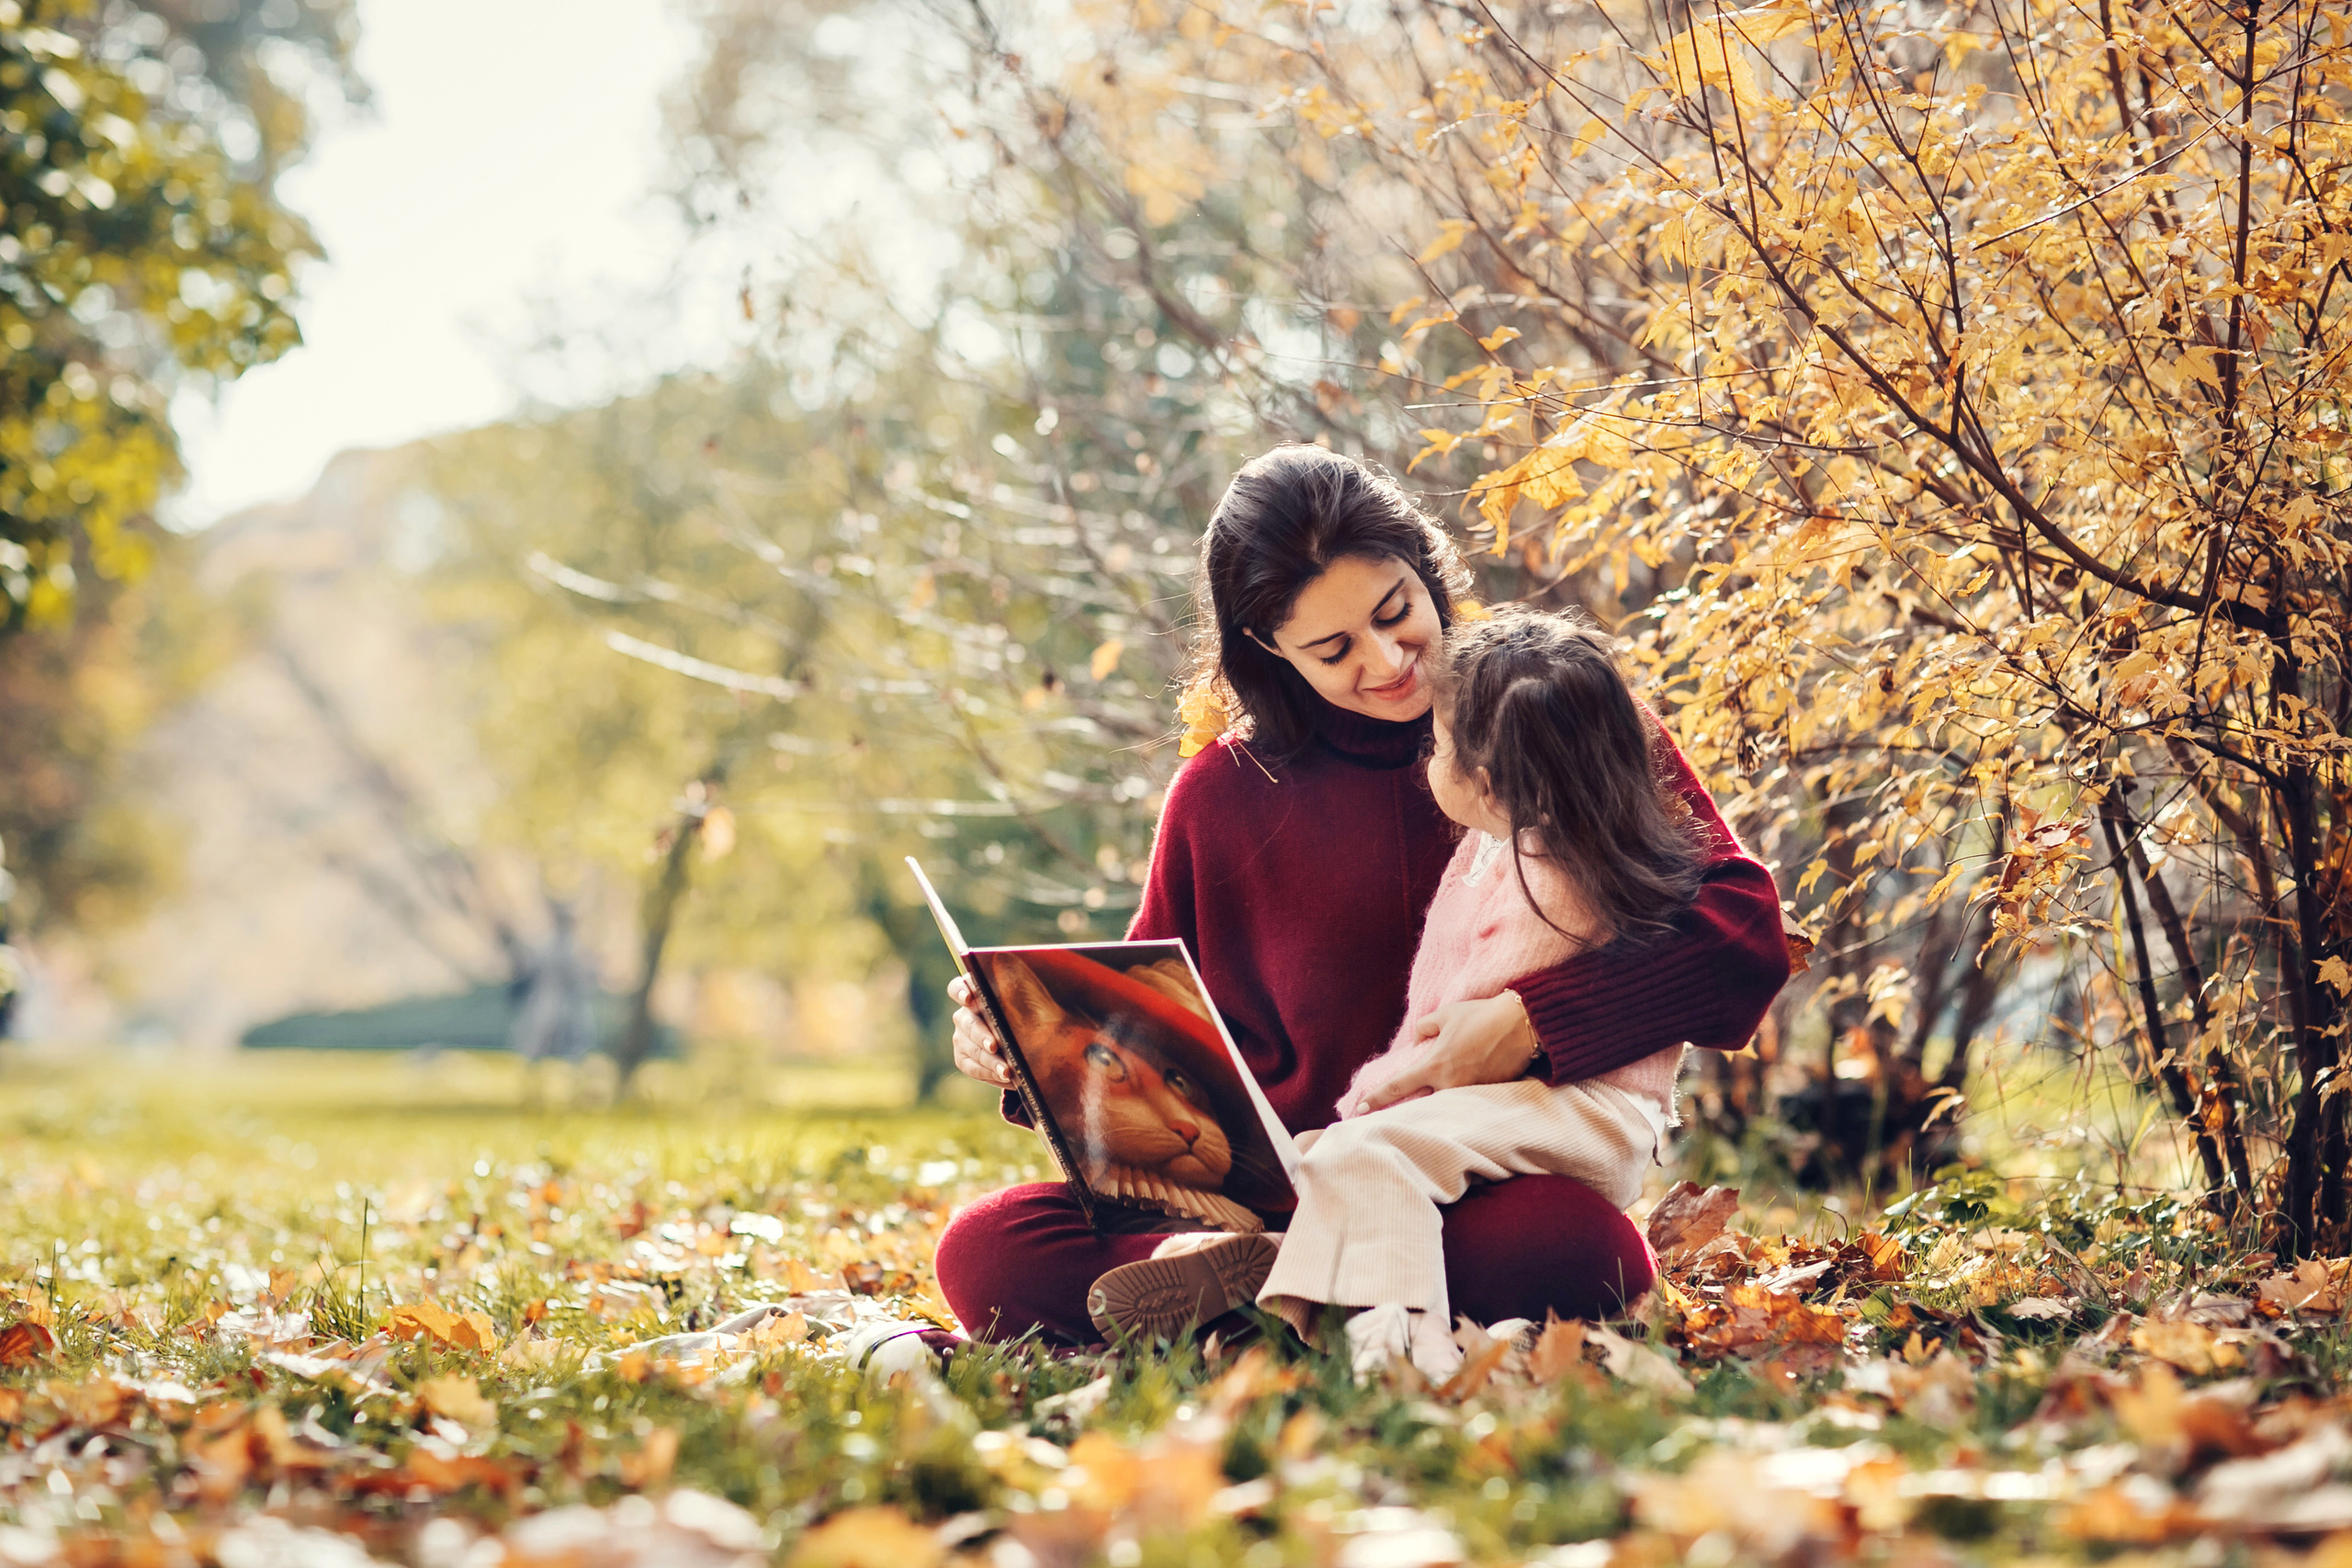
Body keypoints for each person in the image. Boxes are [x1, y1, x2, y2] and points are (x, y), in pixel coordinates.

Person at [933, 445, 1789, 1348]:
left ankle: (1256, 1308)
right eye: (1333, 648)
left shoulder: (1553, 713)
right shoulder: (1220, 793)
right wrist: (1025, 1048)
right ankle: (1279, 1282)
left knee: (1575, 1256)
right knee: (987, 1248)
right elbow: (1144, 1025)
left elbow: (1742, 932)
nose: (1387, 663)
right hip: (1270, 1193)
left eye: (1396, 613)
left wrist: (1533, 1024)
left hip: (1470, 1189)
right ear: (1266, 646)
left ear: (1426, 571)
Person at [1210, 606, 1701, 1377]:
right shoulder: (1514, 839)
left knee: (1362, 1151)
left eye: (1436, 745)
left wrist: (1359, 1106)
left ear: (1491, 784)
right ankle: (1322, 1298)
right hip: (1562, 1105)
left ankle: (1404, 1352)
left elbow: (1451, 1050)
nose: (1425, 757)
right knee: (1354, 1155)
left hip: (1586, 1110)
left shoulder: (1549, 878)